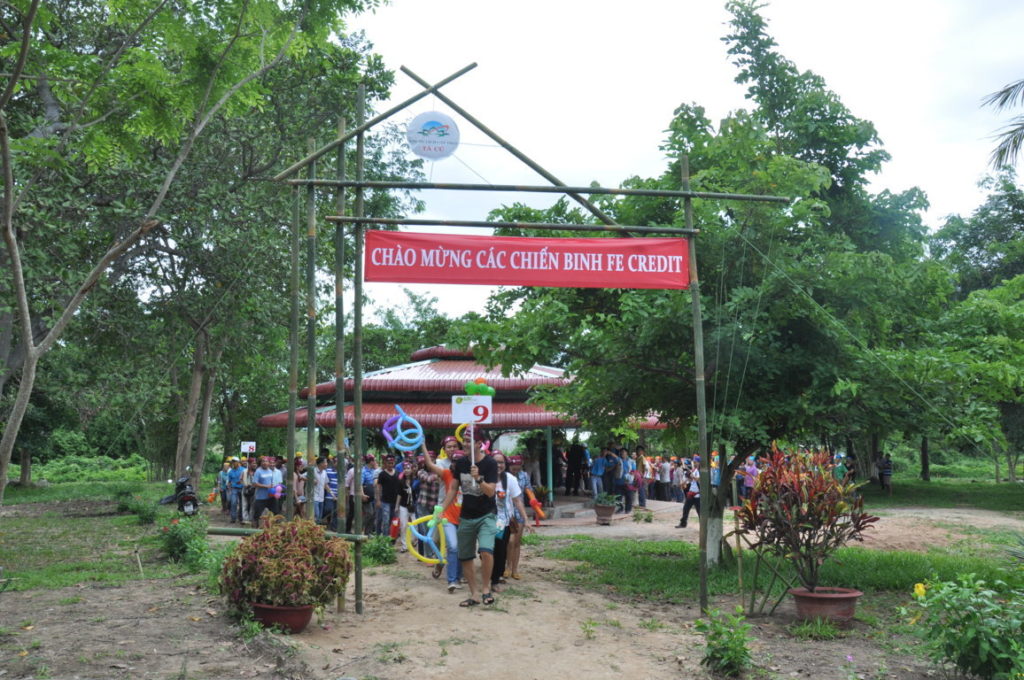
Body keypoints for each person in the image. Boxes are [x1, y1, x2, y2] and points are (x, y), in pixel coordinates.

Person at [439, 426, 498, 607]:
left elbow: (490, 492)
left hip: (486, 514)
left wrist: (479, 478)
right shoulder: (461, 463)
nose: (463, 444)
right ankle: (474, 594)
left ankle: (486, 589)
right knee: (465, 556)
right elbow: (453, 488)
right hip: (466, 515)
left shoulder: (490, 463)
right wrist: (441, 509)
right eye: (463, 441)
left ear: (479, 444)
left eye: (467, 441)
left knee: (486, 551)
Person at [489, 452, 527, 593]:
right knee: (486, 550)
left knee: (500, 550)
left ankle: (496, 578)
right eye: (495, 462)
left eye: (501, 462)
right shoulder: (484, 477)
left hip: (503, 522)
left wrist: (526, 519)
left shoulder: (510, 479)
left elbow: (517, 500)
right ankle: (491, 574)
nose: (498, 465)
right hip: (485, 521)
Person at [506, 454, 532, 579]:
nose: (515, 471)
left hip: (519, 511)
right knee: (509, 541)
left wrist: (533, 501)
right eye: (513, 469)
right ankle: (507, 566)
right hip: (507, 511)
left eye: (518, 469)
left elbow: (529, 490)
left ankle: (514, 570)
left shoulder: (524, 476)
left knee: (516, 542)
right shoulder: (505, 476)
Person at [375, 454, 401, 536]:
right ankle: (385, 538)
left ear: (394, 463)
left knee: (393, 520)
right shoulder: (382, 474)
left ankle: (391, 537)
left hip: (395, 501)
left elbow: (400, 487)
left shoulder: (397, 473)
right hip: (385, 501)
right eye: (389, 463)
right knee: (385, 520)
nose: (390, 465)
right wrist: (378, 500)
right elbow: (378, 487)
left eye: (392, 463)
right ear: (386, 463)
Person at [250, 456, 276, 527]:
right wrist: (266, 486)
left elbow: (271, 482)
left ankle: (271, 527)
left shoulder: (270, 471)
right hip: (260, 497)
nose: (265, 463)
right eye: (263, 461)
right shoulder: (258, 471)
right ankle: (254, 528)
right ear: (260, 463)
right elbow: (254, 483)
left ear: (269, 463)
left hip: (270, 496)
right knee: (257, 514)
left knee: (274, 512)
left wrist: (274, 488)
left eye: (266, 461)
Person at [676, 461, 700, 528]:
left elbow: (698, 479)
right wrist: (683, 483)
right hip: (691, 492)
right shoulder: (694, 470)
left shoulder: (700, 471)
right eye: (694, 462)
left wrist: (693, 476)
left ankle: (703, 526)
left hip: (698, 495)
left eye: (696, 462)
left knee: (699, 511)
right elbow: (689, 479)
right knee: (685, 509)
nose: (694, 463)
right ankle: (683, 523)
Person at [226, 457, 245, 524]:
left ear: (238, 462)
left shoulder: (243, 470)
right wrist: (229, 488)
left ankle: (241, 517)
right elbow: (229, 481)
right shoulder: (230, 472)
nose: (233, 463)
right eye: (233, 462)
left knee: (242, 504)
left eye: (235, 461)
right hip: (234, 489)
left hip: (242, 488)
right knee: (233, 502)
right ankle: (233, 518)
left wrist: (242, 481)